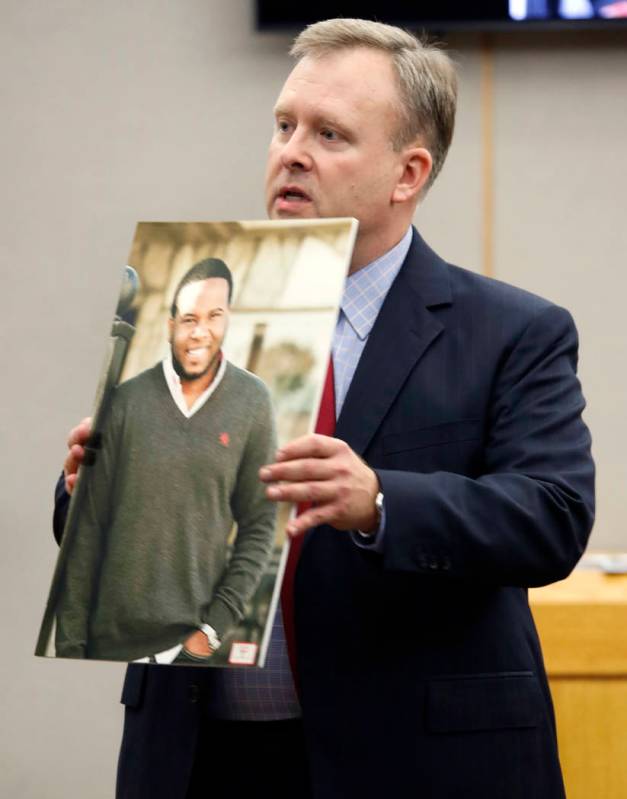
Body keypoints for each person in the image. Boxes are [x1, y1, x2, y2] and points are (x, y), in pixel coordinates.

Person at [57, 18, 594, 799]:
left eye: (330, 134)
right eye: (284, 125)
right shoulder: (197, 303)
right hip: (200, 757)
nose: (291, 152)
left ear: (406, 173)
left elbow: (550, 515)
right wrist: (91, 489)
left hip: (411, 759)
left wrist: (379, 501)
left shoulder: (511, 331)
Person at [54, 257, 277, 664]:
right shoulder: (124, 402)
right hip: (107, 645)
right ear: (170, 324)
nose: (200, 332)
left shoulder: (253, 402)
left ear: (229, 321)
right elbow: (86, 531)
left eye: (214, 316)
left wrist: (211, 631)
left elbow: (260, 526)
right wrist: (70, 645)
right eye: (189, 318)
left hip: (189, 654)